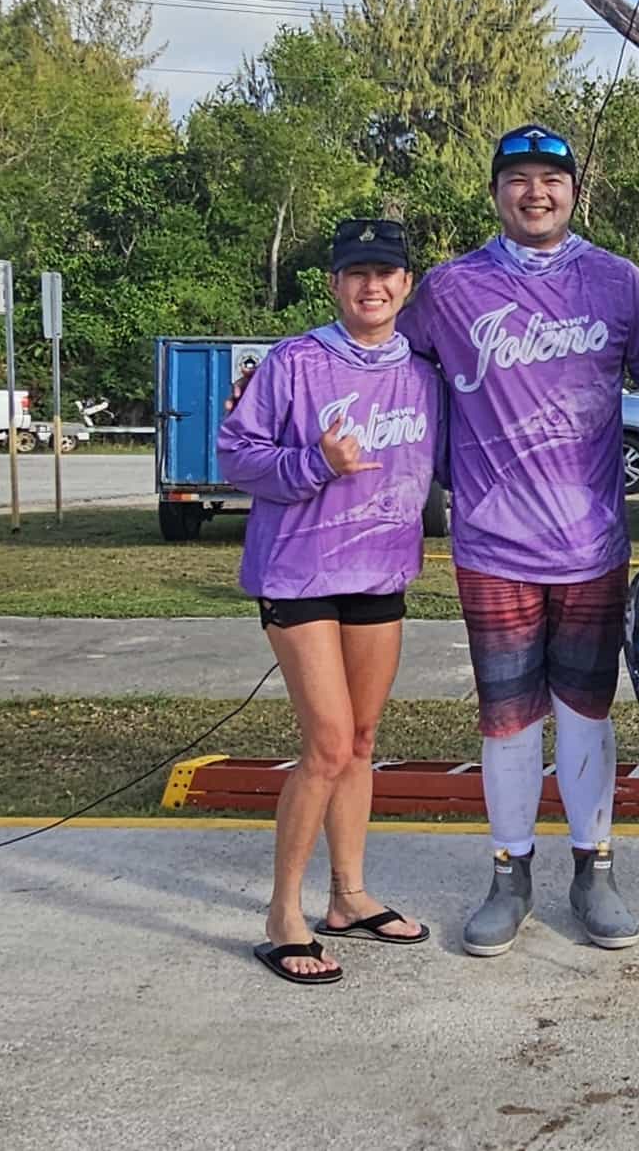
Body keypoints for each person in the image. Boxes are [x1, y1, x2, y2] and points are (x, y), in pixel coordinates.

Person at [399, 124, 639, 957]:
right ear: (495, 192)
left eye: (551, 178)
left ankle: (595, 867)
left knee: (586, 712)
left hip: (592, 544)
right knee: (506, 718)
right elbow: (392, 371)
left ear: (576, 190)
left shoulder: (619, 282)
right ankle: (509, 871)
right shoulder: (449, 287)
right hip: (489, 546)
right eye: (518, 179)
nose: (535, 193)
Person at [219, 218, 439, 985]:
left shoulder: (424, 372)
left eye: (386, 273)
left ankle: (348, 896)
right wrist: (316, 460)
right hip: (299, 575)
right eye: (356, 273)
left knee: (362, 739)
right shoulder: (294, 362)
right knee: (326, 743)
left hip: (380, 574)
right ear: (334, 283)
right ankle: (284, 913)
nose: (371, 287)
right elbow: (235, 455)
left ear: (407, 285)